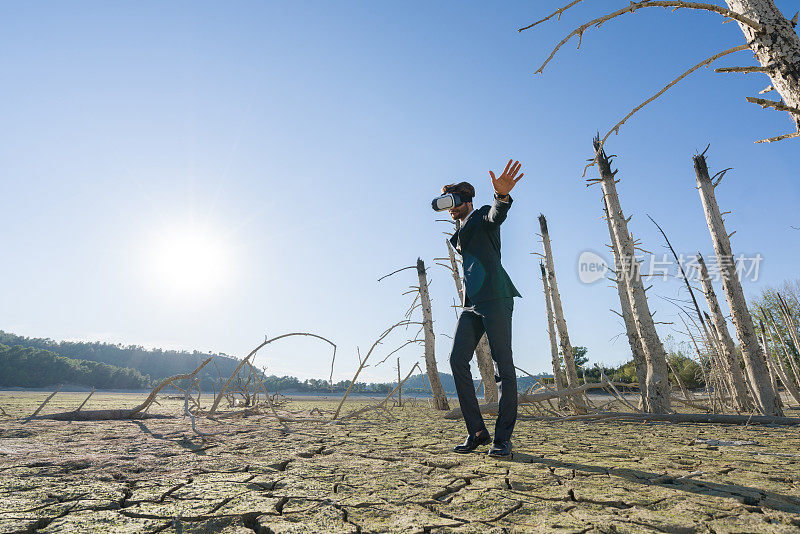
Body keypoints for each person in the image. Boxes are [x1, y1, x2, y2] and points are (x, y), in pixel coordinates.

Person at [444, 159, 523, 458]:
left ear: (466, 201)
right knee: (456, 360)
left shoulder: (481, 218)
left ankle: (502, 439)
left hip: (496, 298)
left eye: (453, 201)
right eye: (446, 203)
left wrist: (501, 197)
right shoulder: (460, 231)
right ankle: (477, 432)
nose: (450, 207)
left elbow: (495, 216)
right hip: (471, 305)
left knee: (504, 367)